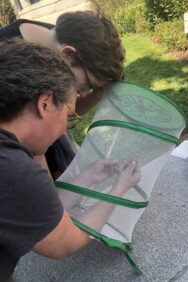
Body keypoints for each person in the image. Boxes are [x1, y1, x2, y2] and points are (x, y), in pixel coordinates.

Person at [0, 39, 140, 282]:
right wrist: (118, 190)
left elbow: (41, 213)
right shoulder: (13, 168)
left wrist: (88, 177)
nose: (66, 127)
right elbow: (65, 241)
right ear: (44, 104)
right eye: (69, 115)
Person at [0, 9, 125, 178]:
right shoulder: (8, 58)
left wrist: (98, 92)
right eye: (88, 84)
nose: (84, 93)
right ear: (68, 54)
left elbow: (69, 108)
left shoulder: (58, 39)